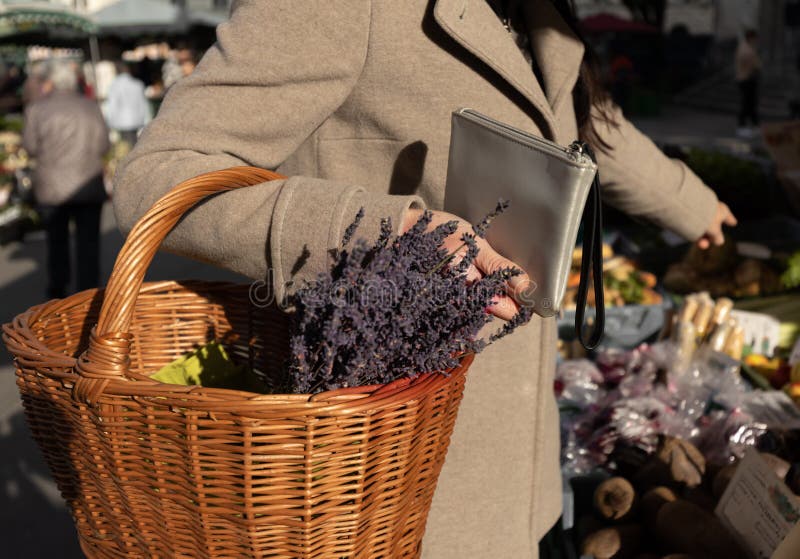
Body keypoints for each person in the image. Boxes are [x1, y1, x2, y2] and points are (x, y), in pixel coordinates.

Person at [113, 1, 736, 557]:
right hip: (390, 475)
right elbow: (158, 178)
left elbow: (588, 123)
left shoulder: (540, 10)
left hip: (523, 460)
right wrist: (394, 236)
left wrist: (693, 203)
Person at [23, 62, 110, 299]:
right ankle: (88, 292)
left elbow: (30, 147)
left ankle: (58, 290)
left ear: (50, 82)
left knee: (57, 241)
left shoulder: (37, 109)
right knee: (89, 243)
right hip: (88, 182)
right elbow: (104, 145)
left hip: (52, 188)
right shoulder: (91, 107)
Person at [104, 62, 150, 146]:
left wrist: (109, 121)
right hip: (137, 119)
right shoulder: (138, 84)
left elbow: (112, 105)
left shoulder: (114, 85)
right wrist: (145, 119)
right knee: (134, 142)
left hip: (122, 121)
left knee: (126, 145)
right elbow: (143, 104)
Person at [735, 29, 761, 137]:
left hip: (747, 78)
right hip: (747, 79)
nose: (757, 40)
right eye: (755, 38)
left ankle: (755, 125)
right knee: (747, 104)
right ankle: (742, 126)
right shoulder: (746, 49)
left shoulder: (746, 47)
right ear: (751, 38)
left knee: (751, 104)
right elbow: (754, 65)